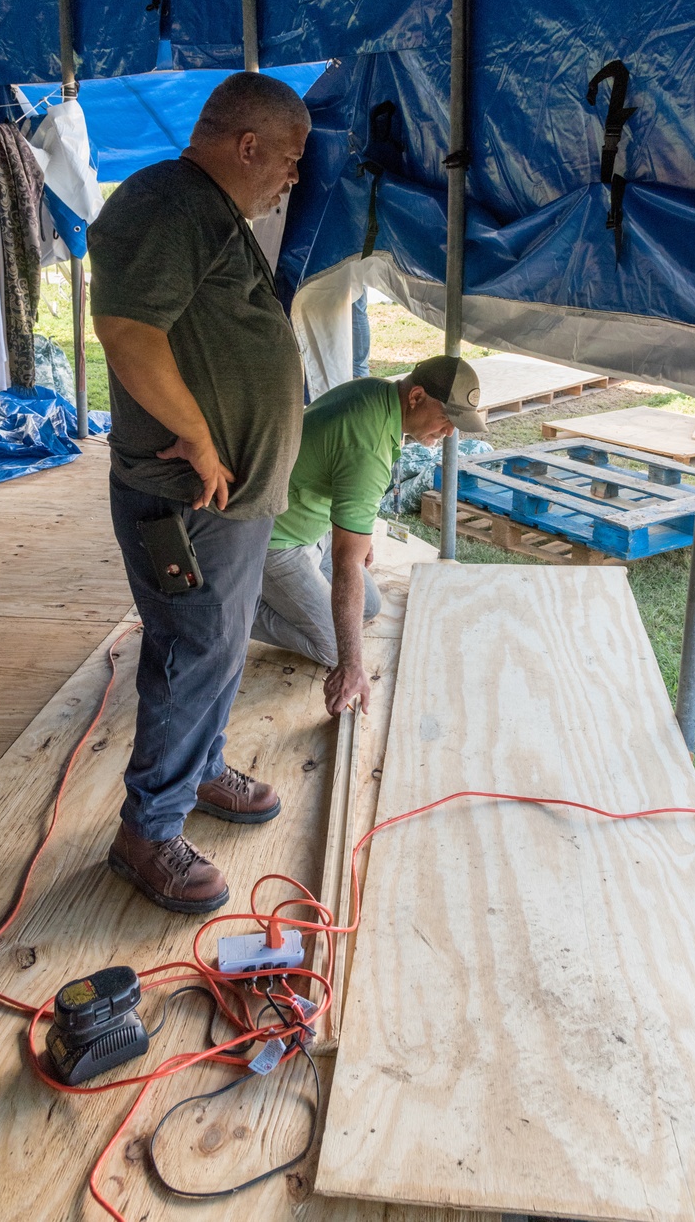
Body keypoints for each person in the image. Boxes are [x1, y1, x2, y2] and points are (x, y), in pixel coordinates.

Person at [88, 72, 309, 915]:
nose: (291, 176)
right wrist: (200, 433)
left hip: (229, 499)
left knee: (219, 644)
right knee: (191, 653)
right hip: (188, 494)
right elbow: (128, 333)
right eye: (286, 158)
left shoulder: (206, 211)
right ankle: (149, 830)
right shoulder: (167, 202)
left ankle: (202, 766)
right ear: (246, 144)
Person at [251, 356, 487, 717]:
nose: (449, 433)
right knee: (334, 648)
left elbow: (345, 477)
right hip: (277, 539)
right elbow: (347, 561)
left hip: (314, 523)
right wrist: (351, 666)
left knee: (370, 607)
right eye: (446, 418)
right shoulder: (366, 445)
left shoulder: (377, 392)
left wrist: (355, 529)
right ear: (417, 396)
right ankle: (235, 604)